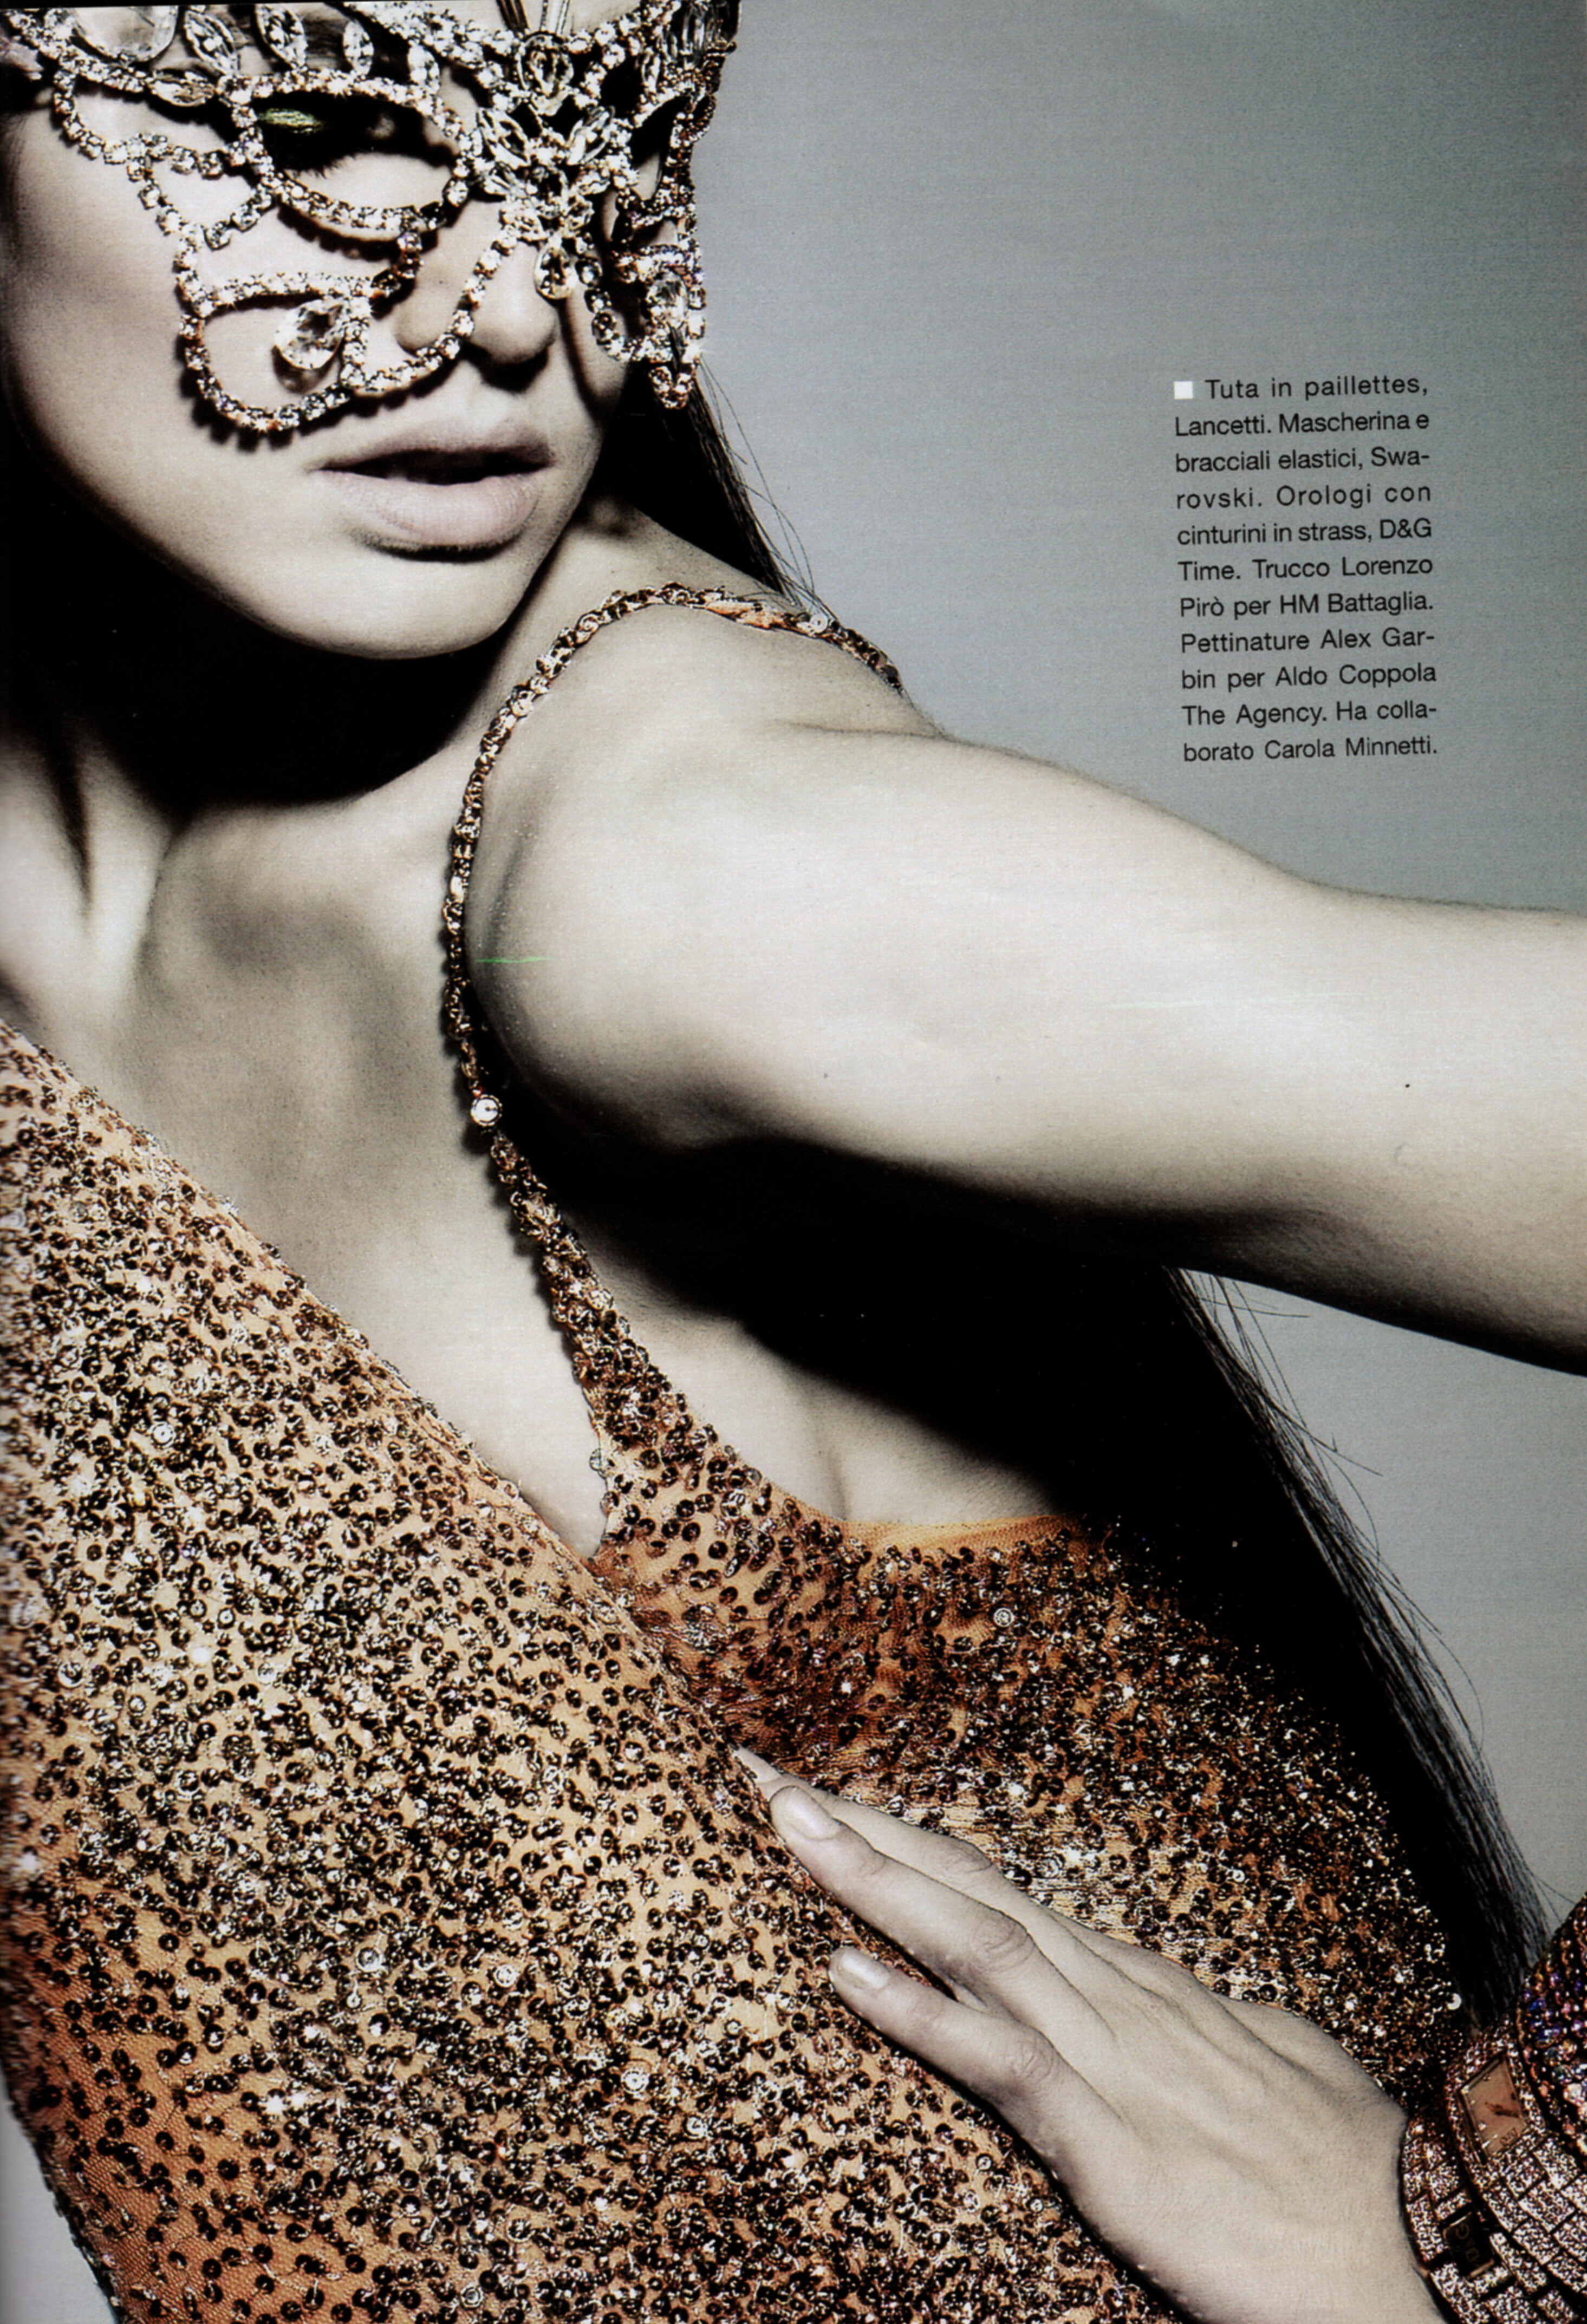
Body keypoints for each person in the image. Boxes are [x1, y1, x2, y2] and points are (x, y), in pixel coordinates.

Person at [0, 5, 1581, 2321]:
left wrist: (1499, 2223)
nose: (510, 302)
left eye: (602, 134)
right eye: (331, 126)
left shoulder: (689, 878)